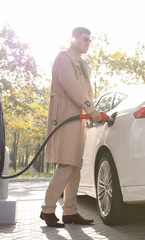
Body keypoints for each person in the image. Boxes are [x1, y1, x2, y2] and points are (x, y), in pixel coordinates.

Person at [40, 27, 104, 228]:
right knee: (67, 164)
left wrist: (90, 111)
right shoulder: (63, 58)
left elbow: (86, 91)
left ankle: (70, 212)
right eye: (84, 39)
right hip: (66, 117)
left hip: (79, 119)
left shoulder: (83, 64)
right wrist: (91, 109)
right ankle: (47, 209)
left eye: (89, 40)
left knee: (75, 165)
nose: (88, 42)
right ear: (73, 39)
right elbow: (72, 86)